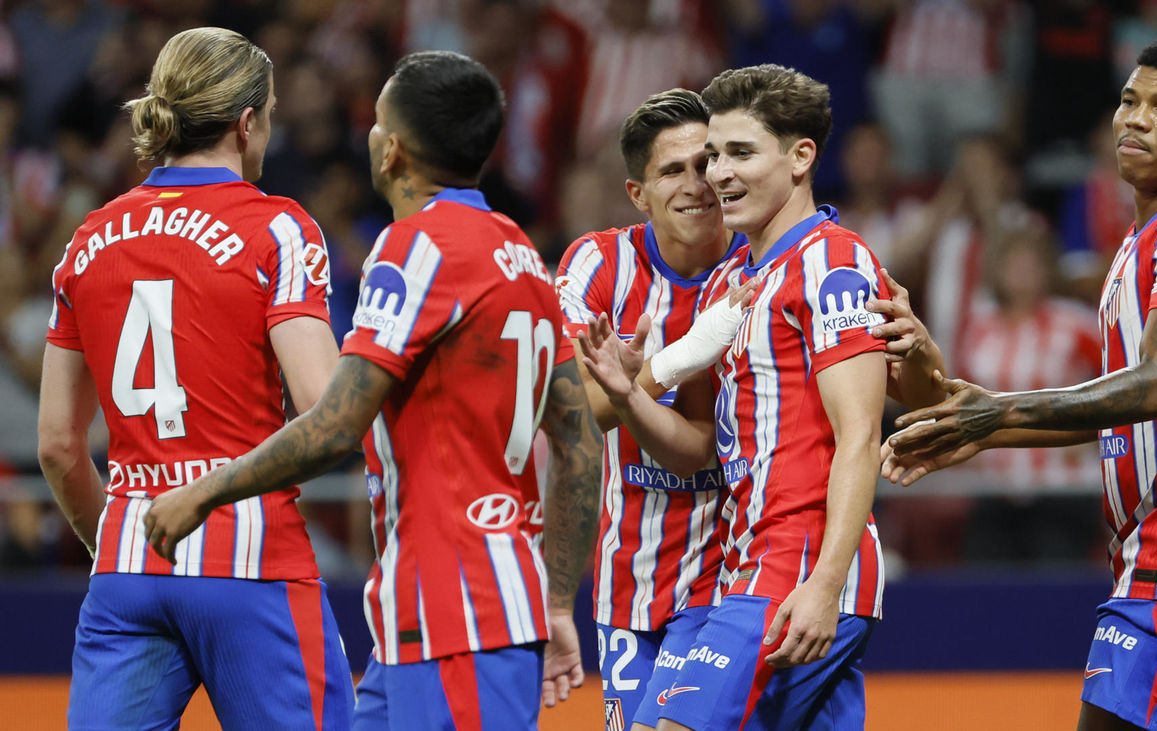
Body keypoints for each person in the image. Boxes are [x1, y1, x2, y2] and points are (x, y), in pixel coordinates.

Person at [142, 51, 605, 730]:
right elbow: (580, 442)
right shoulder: (521, 253)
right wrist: (559, 600)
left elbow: (335, 424)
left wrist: (202, 492)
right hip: (447, 606)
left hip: (457, 605)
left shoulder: (415, 249)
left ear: (393, 151)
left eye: (377, 121)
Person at [886, 37, 1157, 730]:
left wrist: (997, 412)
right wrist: (987, 427)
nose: (1136, 118)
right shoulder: (1148, 236)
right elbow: (1127, 405)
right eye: (1130, 100)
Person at [580, 64, 942, 730]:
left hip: (797, 563)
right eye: (715, 154)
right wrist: (631, 392)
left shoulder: (831, 265)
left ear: (801, 156)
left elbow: (862, 431)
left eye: (740, 153)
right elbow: (697, 444)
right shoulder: (740, 280)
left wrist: (826, 584)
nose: (718, 174)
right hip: (750, 563)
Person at [37, 27, 353, 730]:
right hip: (252, 561)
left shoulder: (88, 238)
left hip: (127, 566)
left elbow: (59, 444)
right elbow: (326, 411)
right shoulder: (278, 228)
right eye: (268, 114)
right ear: (246, 124)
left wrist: (125, 540)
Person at [554, 88, 742, 731]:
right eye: (673, 170)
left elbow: (703, 451)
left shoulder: (758, 268)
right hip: (627, 580)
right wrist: (669, 365)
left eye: (707, 162)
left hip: (729, 574)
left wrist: (629, 389)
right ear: (638, 193)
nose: (698, 183)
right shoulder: (598, 263)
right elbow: (565, 412)